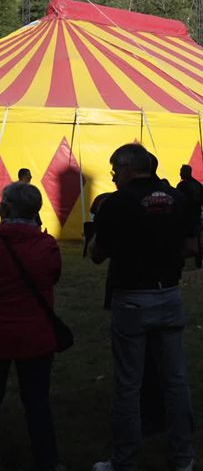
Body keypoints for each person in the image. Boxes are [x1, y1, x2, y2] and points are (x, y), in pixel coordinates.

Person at [90, 143, 194, 471]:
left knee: (128, 384)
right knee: (176, 382)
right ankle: (183, 458)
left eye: (114, 171)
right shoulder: (179, 199)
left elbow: (96, 253)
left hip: (132, 296)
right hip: (169, 294)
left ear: (126, 168)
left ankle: (124, 460)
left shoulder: (116, 203)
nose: (112, 177)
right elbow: (191, 247)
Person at [0, 182, 62, 471]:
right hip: (36, 336)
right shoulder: (47, 246)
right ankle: (47, 461)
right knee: (37, 402)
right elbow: (53, 277)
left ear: (6, 207)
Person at [176, 164, 203, 267]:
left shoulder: (182, 186)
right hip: (196, 218)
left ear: (185, 172)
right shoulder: (198, 185)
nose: (179, 173)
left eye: (181, 171)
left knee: (183, 242)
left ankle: (184, 265)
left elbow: (178, 202)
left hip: (185, 219)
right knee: (197, 242)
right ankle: (198, 263)